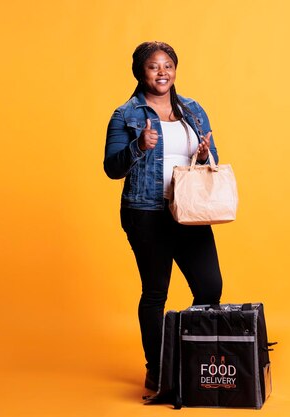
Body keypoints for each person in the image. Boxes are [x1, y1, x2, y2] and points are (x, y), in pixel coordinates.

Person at [103, 41, 223, 398]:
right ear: (140, 71)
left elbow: (211, 158)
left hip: (189, 209)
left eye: (168, 65)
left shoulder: (193, 110)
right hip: (146, 212)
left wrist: (203, 154)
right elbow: (111, 168)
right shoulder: (125, 114)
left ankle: (193, 360)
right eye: (154, 66)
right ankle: (157, 370)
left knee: (209, 287)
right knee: (156, 293)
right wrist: (138, 146)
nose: (162, 72)